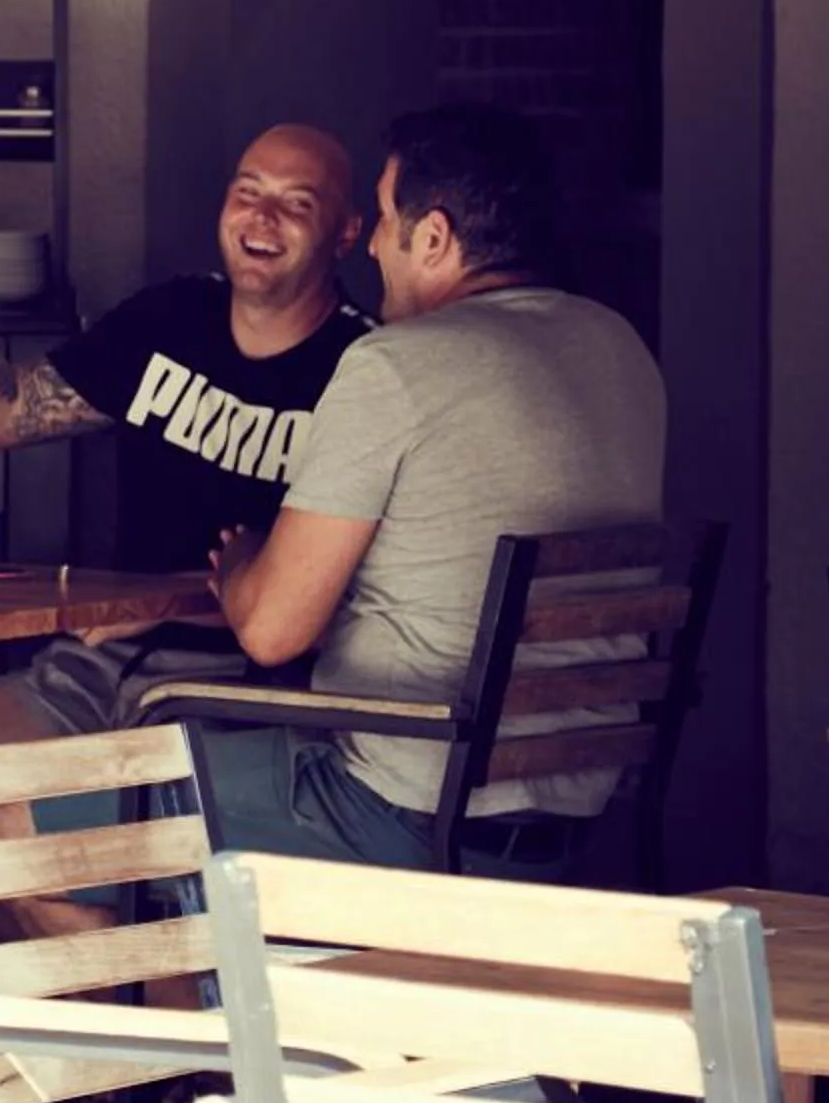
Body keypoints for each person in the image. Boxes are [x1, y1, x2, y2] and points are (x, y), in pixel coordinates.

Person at [200, 101, 667, 878]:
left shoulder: (398, 365)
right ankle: (228, 984)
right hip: (572, 827)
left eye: (385, 218)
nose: (375, 243)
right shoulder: (621, 350)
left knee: (23, 825)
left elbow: (273, 632)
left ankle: (213, 990)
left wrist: (240, 566)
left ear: (436, 237)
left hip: (402, 813)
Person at [0, 123, 369, 749]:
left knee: (70, 810)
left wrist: (169, 605)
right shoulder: (171, 316)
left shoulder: (364, 368)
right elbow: (0, 413)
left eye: (296, 203)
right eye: (248, 192)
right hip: (102, 662)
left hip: (249, 691)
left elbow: (354, 608)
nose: (262, 217)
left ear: (347, 233)